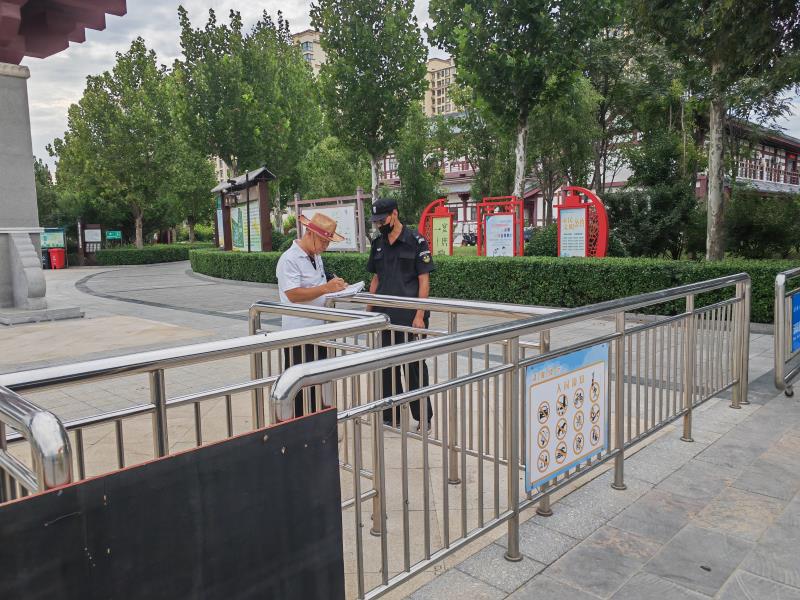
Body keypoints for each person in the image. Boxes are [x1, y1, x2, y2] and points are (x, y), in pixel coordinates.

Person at [366, 198, 435, 430]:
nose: (379, 225)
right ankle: (391, 414)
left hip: (410, 317)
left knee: (414, 367)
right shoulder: (378, 243)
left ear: (394, 214)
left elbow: (424, 280)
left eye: (382, 220)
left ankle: (423, 417)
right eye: (376, 222)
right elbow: (375, 279)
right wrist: (368, 311)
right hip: (384, 317)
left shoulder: (416, 241)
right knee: (387, 367)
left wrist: (419, 315)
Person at [276, 212, 347, 417]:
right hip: (299, 333)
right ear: (309, 233)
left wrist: (336, 288)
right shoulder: (289, 259)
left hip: (319, 331)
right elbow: (293, 294)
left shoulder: (316, 257)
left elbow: (318, 286)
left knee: (317, 382)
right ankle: (299, 425)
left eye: (328, 242)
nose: (325, 246)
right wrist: (326, 288)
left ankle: (316, 423)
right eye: (323, 241)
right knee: (299, 386)